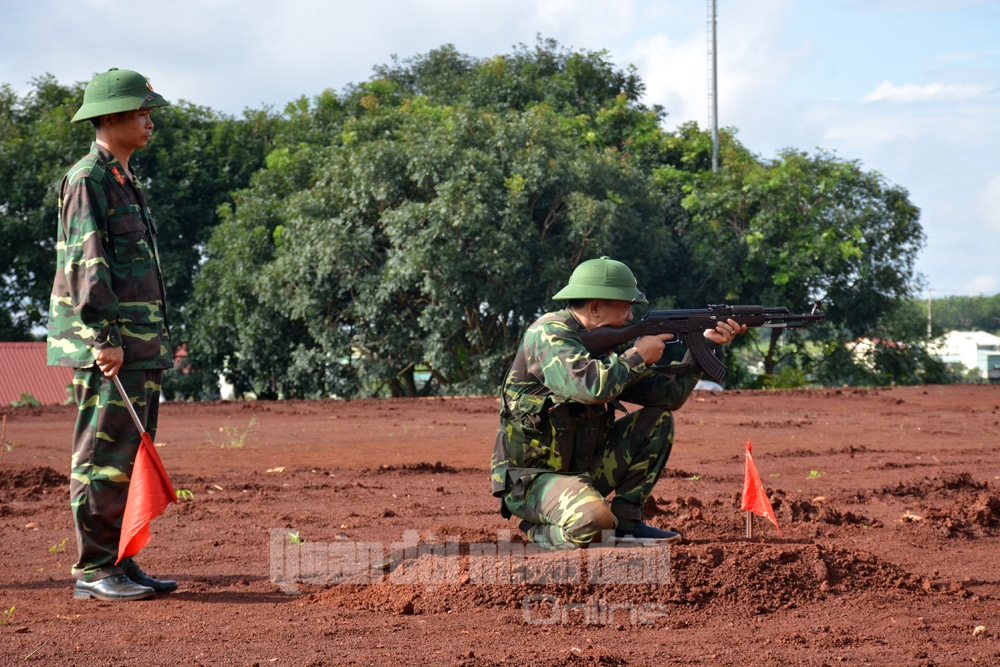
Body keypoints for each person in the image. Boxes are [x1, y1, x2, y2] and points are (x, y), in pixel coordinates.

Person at [490, 256, 746, 549]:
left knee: (657, 420)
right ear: (596, 306)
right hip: (533, 481)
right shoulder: (548, 334)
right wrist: (637, 356)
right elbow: (589, 388)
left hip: (581, 474)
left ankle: (627, 522)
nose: (629, 316)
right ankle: (538, 530)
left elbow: (668, 396)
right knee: (595, 525)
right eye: (625, 306)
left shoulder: (605, 345)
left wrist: (706, 345)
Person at [47, 68, 177, 601]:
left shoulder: (124, 178)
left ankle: (121, 559)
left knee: (130, 451)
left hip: (139, 343)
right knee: (102, 454)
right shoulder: (88, 179)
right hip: (110, 346)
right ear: (110, 117)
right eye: (141, 111)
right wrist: (104, 336)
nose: (149, 121)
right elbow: (87, 262)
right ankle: (94, 570)